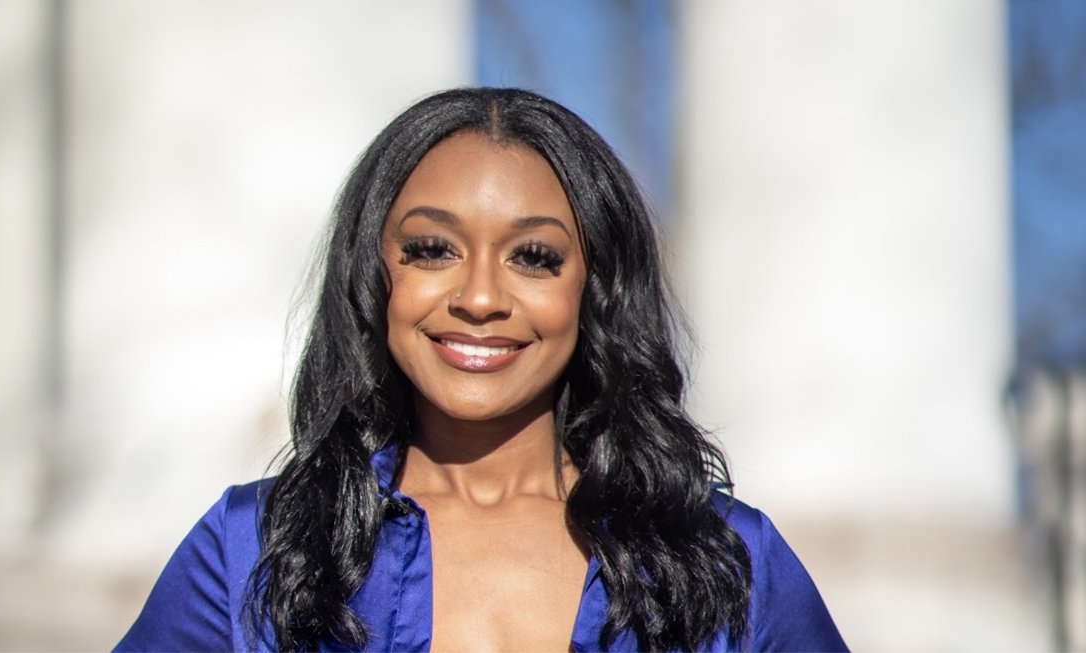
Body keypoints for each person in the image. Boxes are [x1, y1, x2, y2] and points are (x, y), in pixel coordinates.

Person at [115, 87, 847, 652]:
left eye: (534, 256)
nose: (480, 298)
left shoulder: (731, 560)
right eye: (433, 250)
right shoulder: (249, 548)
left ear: (593, 292)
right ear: (375, 278)